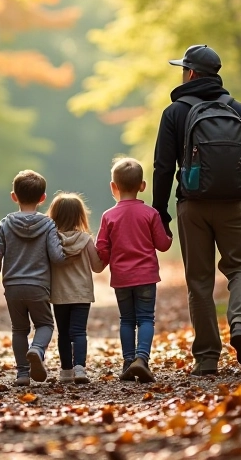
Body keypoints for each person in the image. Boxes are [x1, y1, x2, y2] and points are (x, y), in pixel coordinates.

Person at [152, 44, 241, 376]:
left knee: (199, 281)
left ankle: (206, 358)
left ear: (190, 73)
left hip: (193, 205)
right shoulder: (238, 109)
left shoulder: (175, 112)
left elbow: (162, 167)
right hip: (234, 204)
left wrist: (161, 213)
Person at [0, 170, 66, 387]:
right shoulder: (48, 225)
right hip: (38, 286)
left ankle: (22, 373)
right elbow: (57, 257)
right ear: (42, 198)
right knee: (46, 324)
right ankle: (37, 350)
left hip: (12, 286)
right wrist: (66, 251)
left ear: (14, 196)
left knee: (19, 329)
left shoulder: (5, 224)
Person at [96, 158, 172, 383]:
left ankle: (128, 362)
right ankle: (142, 359)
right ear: (142, 186)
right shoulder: (150, 214)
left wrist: (103, 261)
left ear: (113, 186)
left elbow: (102, 247)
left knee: (127, 319)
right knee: (146, 318)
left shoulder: (108, 216)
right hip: (146, 275)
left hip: (121, 277)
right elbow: (163, 245)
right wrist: (169, 235)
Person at [47, 192, 104, 384]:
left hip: (60, 294)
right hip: (81, 294)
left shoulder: (52, 240)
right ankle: (80, 369)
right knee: (79, 332)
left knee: (63, 332)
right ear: (80, 216)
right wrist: (108, 255)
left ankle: (65, 371)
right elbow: (97, 266)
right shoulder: (86, 240)